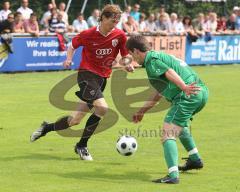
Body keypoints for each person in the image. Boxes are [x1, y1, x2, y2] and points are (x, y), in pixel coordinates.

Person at [30, 4, 133, 161]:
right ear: (103, 18)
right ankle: (82, 145)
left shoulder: (119, 35)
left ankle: (46, 127)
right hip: (86, 75)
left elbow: (125, 55)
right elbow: (72, 45)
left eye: (117, 21)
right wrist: (69, 59)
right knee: (102, 108)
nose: (116, 23)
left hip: (102, 78)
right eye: (113, 20)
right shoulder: (88, 33)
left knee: (74, 120)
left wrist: (127, 64)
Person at [126, 35, 208, 184]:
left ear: (137, 51)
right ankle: (195, 159)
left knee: (167, 134)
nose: (133, 58)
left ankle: (173, 175)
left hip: (187, 95)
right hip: (200, 93)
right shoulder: (156, 57)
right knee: (179, 126)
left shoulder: (152, 61)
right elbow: (159, 92)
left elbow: (170, 72)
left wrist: (183, 87)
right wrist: (142, 111)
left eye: (132, 54)